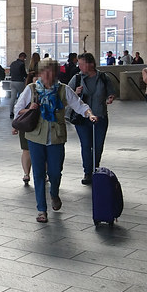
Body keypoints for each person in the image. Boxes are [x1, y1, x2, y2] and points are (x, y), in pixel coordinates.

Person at [15, 59, 95, 222]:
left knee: (55, 172)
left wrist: (90, 114)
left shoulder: (63, 90)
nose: (48, 75)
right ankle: (41, 210)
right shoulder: (31, 89)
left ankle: (54, 194)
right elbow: (17, 108)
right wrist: (29, 109)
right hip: (35, 136)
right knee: (38, 173)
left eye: (51, 71)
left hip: (56, 137)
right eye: (45, 71)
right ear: (40, 73)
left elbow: (79, 105)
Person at [68, 53, 116, 184]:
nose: (79, 66)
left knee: (98, 145)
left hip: (100, 116)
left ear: (90, 64)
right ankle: (87, 172)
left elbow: (111, 92)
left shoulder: (103, 77)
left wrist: (110, 98)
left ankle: (95, 167)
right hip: (82, 118)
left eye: (81, 64)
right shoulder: (77, 78)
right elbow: (67, 95)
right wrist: (76, 92)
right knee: (86, 145)